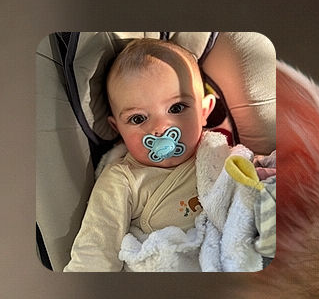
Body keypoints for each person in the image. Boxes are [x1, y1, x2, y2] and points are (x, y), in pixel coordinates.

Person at [64, 38, 216, 272]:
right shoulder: (122, 179)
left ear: (204, 111)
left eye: (176, 108)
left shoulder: (218, 154)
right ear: (118, 130)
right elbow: (96, 248)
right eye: (138, 118)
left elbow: (247, 188)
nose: (161, 128)